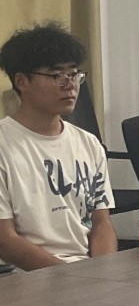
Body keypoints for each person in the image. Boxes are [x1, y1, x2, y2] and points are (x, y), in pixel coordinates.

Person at [0, 22, 116, 270]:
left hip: (85, 273)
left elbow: (102, 223)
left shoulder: (88, 143)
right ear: (22, 81)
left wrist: (104, 272)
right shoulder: (5, 144)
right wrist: (74, 278)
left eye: (74, 74)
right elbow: (6, 241)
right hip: (22, 276)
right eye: (56, 75)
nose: (69, 84)